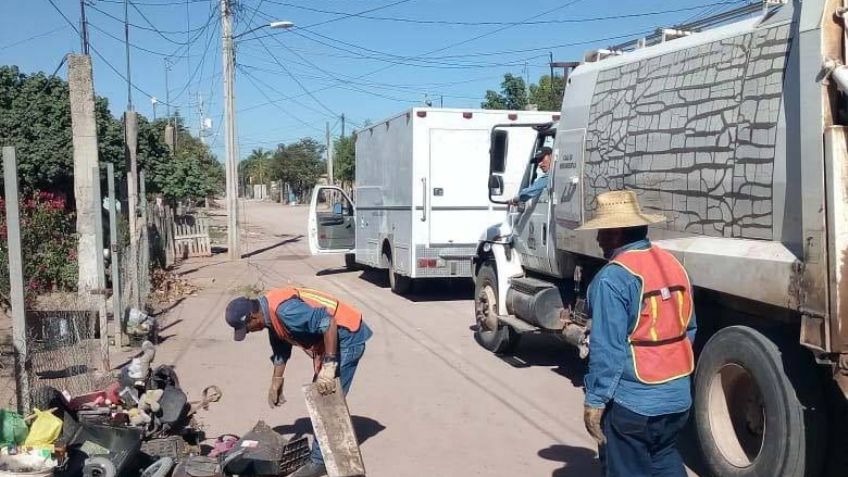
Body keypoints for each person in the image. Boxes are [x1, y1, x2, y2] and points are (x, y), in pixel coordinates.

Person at [577, 190, 697, 477]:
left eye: (602, 232)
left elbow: (608, 350)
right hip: (678, 397)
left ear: (616, 233)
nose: (598, 239)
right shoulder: (672, 264)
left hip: (635, 404)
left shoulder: (614, 277)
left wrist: (595, 401)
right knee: (663, 457)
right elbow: (688, 328)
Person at [225, 287, 373, 477]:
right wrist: (276, 380)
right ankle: (321, 454)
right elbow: (280, 341)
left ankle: (319, 462)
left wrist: (329, 366)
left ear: (253, 317)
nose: (250, 332)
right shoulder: (268, 311)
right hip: (333, 337)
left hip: (347, 336)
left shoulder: (286, 311)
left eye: (247, 328)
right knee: (321, 396)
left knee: (324, 398)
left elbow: (328, 322)